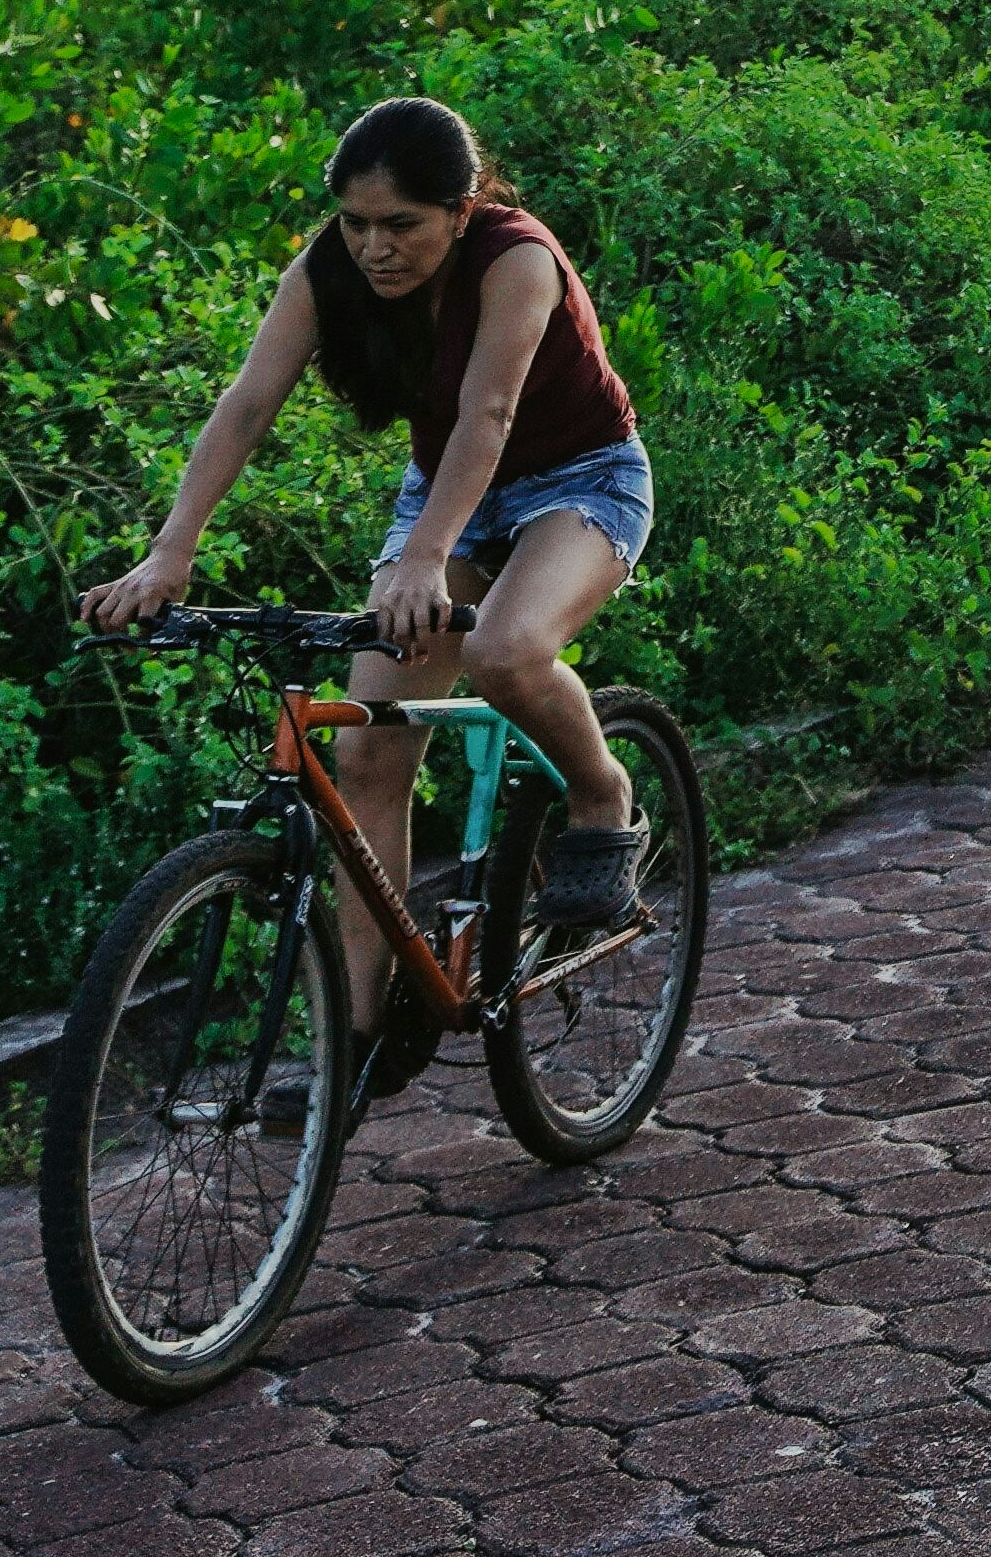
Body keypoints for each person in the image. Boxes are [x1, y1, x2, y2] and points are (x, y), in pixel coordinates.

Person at [81, 96, 656, 1095]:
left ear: (462, 209)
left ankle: (602, 793)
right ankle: (356, 1033)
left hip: (582, 477)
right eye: (355, 222)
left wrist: (425, 560)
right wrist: (168, 555)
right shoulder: (329, 269)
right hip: (447, 495)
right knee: (365, 750)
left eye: (402, 223)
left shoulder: (516, 257)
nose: (375, 247)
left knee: (506, 649)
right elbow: (247, 403)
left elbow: (489, 412)